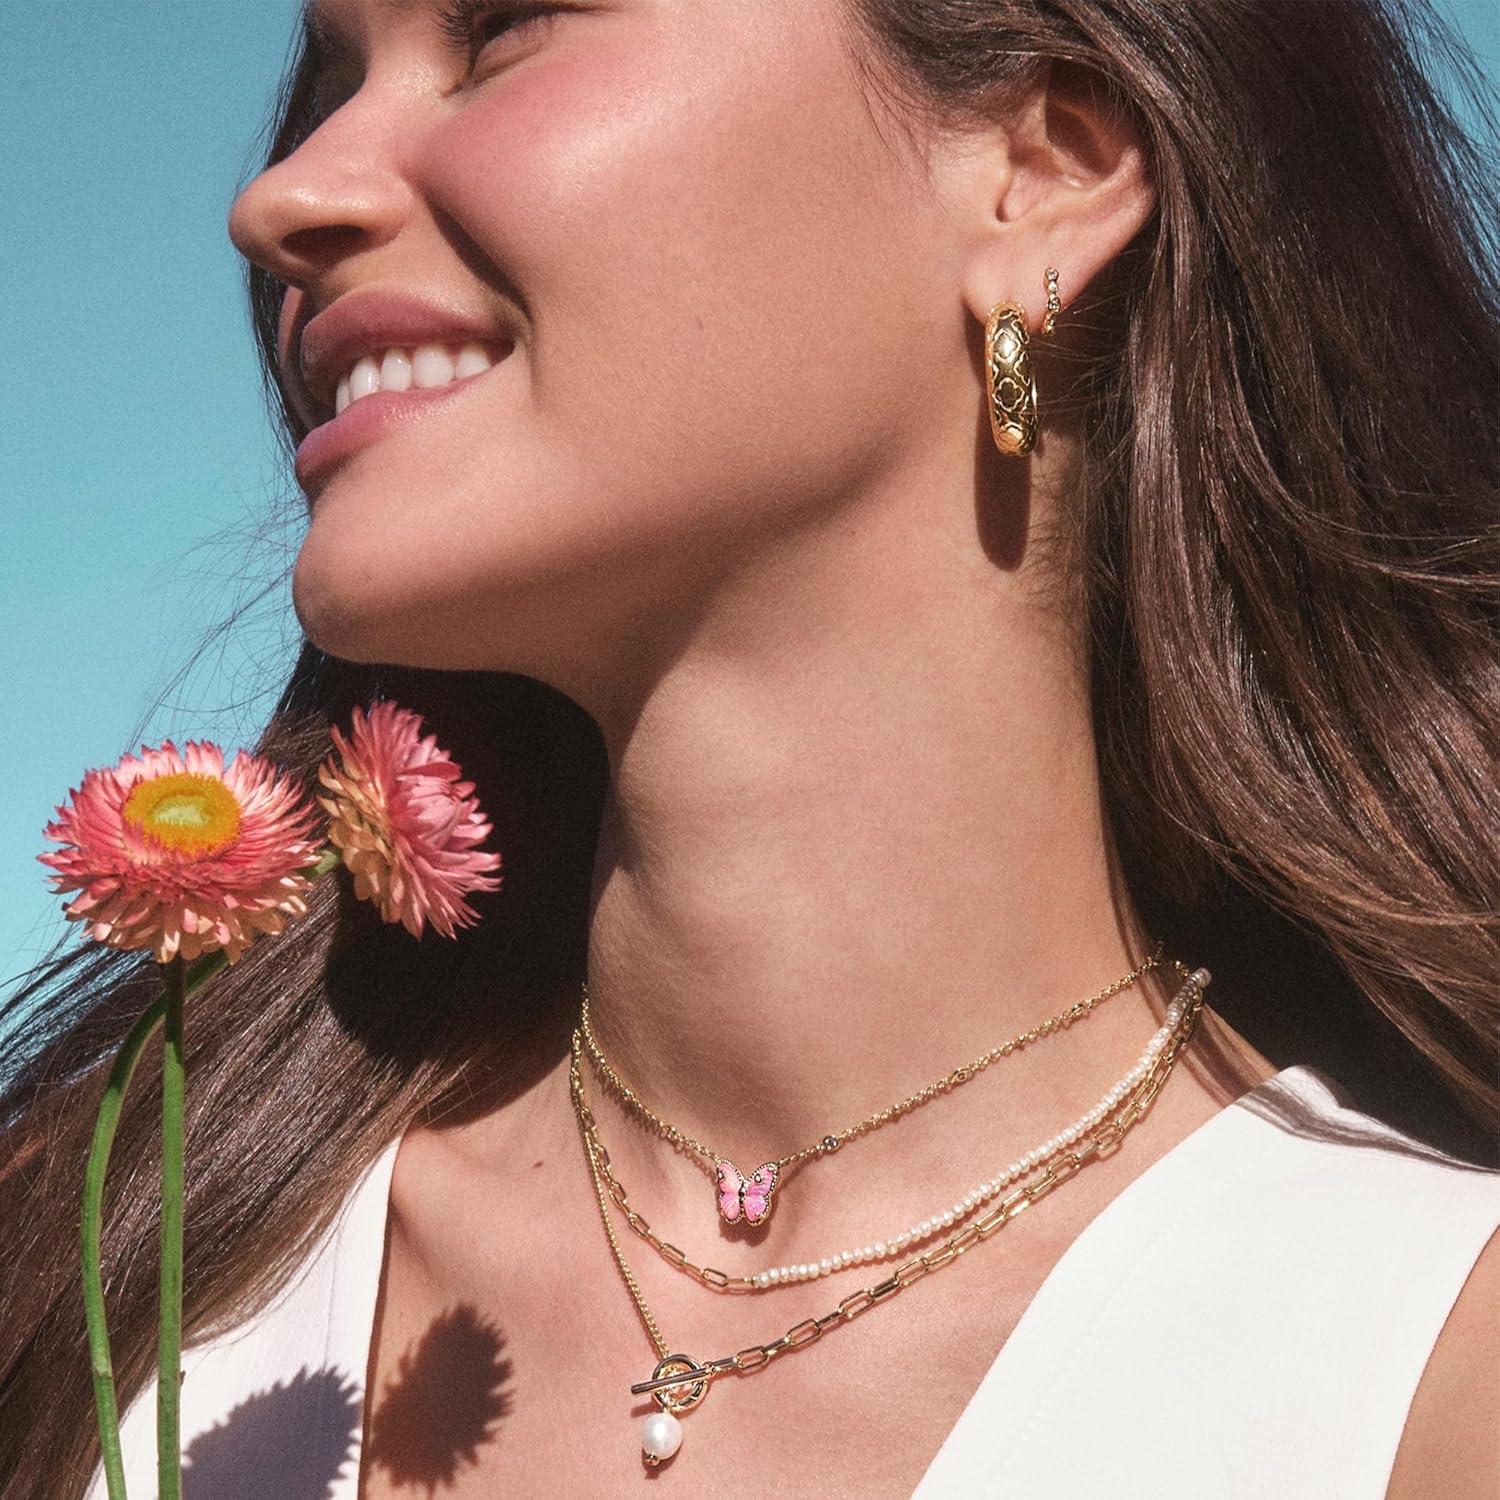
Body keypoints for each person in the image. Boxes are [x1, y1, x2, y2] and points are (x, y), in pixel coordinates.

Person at [2, 1, 1497, 1495]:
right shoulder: (89, 1265)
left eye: (505, 25)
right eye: (333, 79)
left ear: (1039, 171)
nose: (281, 196)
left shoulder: (1428, 1381)